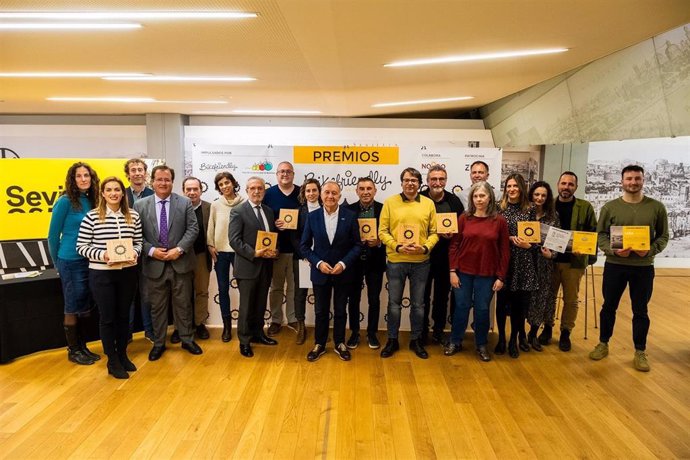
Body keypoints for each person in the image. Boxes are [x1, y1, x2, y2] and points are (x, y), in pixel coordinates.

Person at [590, 165, 668, 372]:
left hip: (643, 267)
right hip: (615, 265)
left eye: (637, 179)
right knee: (609, 307)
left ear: (643, 180)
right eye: (629, 179)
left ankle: (640, 351)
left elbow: (663, 236)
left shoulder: (657, 207)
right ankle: (603, 343)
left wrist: (650, 250)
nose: (633, 182)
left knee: (640, 310)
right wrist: (614, 251)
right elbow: (601, 235)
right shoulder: (610, 208)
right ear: (621, 181)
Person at [133, 165, 202, 361]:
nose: (163, 183)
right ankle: (159, 343)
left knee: (183, 305)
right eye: (159, 179)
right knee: (157, 307)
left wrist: (178, 250)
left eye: (167, 180)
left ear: (172, 182)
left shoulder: (185, 203)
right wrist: (152, 251)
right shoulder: (140, 206)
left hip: (180, 263)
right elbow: (137, 235)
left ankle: (187, 339)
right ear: (152, 182)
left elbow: (193, 229)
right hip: (154, 265)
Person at [76, 176, 142, 379]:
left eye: (117, 190)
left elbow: (139, 242)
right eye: (109, 190)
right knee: (108, 318)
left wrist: (135, 253)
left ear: (123, 193)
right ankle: (112, 360)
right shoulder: (92, 217)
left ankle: (122, 354)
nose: (114, 193)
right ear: (103, 194)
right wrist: (103, 255)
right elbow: (81, 247)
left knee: (124, 316)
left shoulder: (133, 216)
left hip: (127, 273)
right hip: (102, 274)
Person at [378, 167, 439, 359]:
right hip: (396, 261)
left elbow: (434, 232)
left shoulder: (428, 204)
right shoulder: (390, 202)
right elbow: (382, 231)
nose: (410, 183)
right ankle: (392, 340)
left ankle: (416, 340)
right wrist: (396, 246)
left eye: (414, 180)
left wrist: (425, 248)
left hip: (421, 262)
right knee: (394, 304)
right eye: (406, 180)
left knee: (418, 305)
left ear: (419, 183)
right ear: (401, 182)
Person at [445, 181, 509, 362]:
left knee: (482, 310)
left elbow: (505, 251)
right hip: (463, 272)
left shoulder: (499, 221)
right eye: (475, 196)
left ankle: (481, 344)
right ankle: (455, 341)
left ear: (490, 197)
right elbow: (454, 246)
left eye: (482, 196)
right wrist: (452, 271)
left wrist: (501, 276)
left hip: (487, 275)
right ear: (471, 198)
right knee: (461, 308)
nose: (479, 199)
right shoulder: (464, 218)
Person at [300, 181, 361, 362]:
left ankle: (340, 343)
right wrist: (318, 263)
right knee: (321, 311)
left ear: (339, 196)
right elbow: (304, 246)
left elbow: (357, 245)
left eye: (334, 193)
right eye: (327, 192)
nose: (330, 196)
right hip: (321, 273)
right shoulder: (313, 217)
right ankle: (319, 344)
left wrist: (343, 263)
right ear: (321, 195)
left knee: (341, 310)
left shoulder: (350, 216)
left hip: (343, 272)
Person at [48, 162, 101, 365]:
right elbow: (53, 236)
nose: (83, 179)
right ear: (72, 179)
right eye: (78, 176)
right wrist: (57, 263)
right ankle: (73, 350)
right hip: (69, 260)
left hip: (90, 259)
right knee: (72, 306)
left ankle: (83, 347)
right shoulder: (65, 202)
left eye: (86, 175)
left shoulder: (93, 200)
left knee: (85, 305)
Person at [540, 171, 597, 351]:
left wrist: (589, 256)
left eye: (570, 184)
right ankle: (547, 328)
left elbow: (593, 233)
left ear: (576, 187)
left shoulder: (585, 207)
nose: (566, 187)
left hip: (574, 261)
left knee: (571, 300)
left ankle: (566, 332)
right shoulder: (549, 205)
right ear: (558, 185)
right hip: (550, 260)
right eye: (563, 183)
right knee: (549, 297)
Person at [229, 177, 279, 358]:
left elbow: (270, 237)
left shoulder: (268, 211)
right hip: (248, 266)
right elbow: (234, 240)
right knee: (246, 306)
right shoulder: (238, 211)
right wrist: (254, 253)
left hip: (266, 266)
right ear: (247, 190)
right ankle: (244, 340)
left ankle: (258, 334)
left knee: (260, 304)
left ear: (264, 191)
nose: (257, 191)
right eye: (253, 188)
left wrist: (274, 251)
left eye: (260, 188)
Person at [420, 165, 464, 345]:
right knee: (421, 297)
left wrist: (452, 234)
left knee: (441, 296)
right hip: (422, 256)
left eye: (441, 179)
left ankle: (438, 329)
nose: (437, 182)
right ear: (427, 181)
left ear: (445, 181)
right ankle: (421, 331)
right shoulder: (419, 199)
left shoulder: (454, 201)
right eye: (434, 179)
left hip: (446, 258)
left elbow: (462, 230)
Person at [496, 173, 538, 359]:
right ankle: (501, 339)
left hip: (524, 262)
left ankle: (514, 339)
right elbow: (493, 234)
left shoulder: (530, 209)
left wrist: (530, 245)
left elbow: (537, 237)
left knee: (518, 306)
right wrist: (507, 239)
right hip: (504, 260)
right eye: (509, 186)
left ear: (521, 188)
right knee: (501, 303)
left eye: (515, 186)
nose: (512, 189)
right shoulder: (499, 208)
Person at [345, 177, 386, 349]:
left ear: (375, 190)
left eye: (369, 188)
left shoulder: (384, 209)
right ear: (357, 191)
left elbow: (391, 231)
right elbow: (344, 235)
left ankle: (372, 333)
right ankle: (354, 333)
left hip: (375, 261)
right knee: (353, 299)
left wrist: (379, 241)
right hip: (354, 262)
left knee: (374, 299)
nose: (365, 192)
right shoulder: (348, 210)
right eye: (361, 189)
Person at [263, 161, 301, 337]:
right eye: (281, 172)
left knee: (294, 287)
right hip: (275, 249)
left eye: (288, 171)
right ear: (276, 174)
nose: (285, 174)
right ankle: (276, 320)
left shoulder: (302, 192)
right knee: (276, 286)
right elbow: (261, 218)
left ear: (293, 174)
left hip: (297, 249)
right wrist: (274, 224)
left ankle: (293, 318)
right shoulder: (268, 194)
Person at [207, 171, 244, 342]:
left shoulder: (244, 202)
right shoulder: (215, 205)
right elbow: (211, 227)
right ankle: (227, 327)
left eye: (227, 182)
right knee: (223, 289)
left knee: (244, 289)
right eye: (221, 185)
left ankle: (244, 325)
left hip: (240, 252)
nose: (224, 186)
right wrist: (210, 245)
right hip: (220, 252)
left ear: (233, 183)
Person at [176, 176, 212, 342]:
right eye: (188, 189)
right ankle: (180, 327)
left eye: (195, 189)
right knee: (180, 294)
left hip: (201, 257)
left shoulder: (209, 208)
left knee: (201, 292)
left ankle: (199, 323)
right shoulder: (176, 207)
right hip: (180, 257)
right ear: (183, 191)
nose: (191, 192)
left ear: (201, 190)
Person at [123, 158, 155, 343]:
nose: (137, 173)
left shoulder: (153, 193)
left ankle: (149, 331)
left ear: (145, 173)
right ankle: (126, 334)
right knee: (128, 295)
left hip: (148, 253)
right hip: (125, 252)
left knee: (147, 295)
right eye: (133, 170)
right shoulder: (120, 194)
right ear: (128, 174)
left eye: (140, 169)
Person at [526, 181, 559, 352]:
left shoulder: (553, 217)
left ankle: (533, 334)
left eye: (543, 195)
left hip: (544, 264)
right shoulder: (524, 213)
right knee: (525, 299)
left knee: (541, 299)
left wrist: (551, 254)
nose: (539, 198)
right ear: (531, 194)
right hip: (525, 261)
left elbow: (558, 244)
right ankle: (520, 334)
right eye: (536, 194)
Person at [290, 178, 322, 345]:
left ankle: (320, 328)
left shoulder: (328, 209)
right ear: (303, 193)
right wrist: (305, 256)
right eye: (308, 191)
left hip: (323, 260)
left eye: (314, 190)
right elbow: (294, 238)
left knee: (320, 294)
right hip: (303, 259)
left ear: (319, 192)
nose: (311, 194)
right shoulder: (298, 212)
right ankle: (301, 326)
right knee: (300, 293)